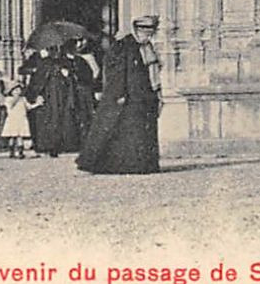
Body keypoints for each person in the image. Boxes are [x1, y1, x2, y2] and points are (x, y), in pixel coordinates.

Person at [77, 15, 162, 174]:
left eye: (151, 33)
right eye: (147, 33)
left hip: (144, 96)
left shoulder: (146, 46)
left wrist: (157, 93)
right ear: (138, 30)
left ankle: (143, 164)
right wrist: (118, 93)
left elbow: (152, 70)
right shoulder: (123, 46)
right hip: (127, 96)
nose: (149, 37)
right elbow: (116, 72)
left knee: (141, 132)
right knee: (123, 131)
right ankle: (121, 165)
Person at [26, 45, 72, 157]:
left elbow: (66, 74)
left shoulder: (55, 61)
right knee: (47, 119)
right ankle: (47, 146)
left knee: (53, 119)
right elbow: (26, 72)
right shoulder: (39, 59)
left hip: (54, 94)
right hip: (47, 94)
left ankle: (52, 146)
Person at [59, 37, 99, 152]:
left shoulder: (80, 60)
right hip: (69, 92)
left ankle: (84, 142)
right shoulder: (62, 61)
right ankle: (71, 142)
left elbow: (90, 75)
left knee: (84, 115)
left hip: (81, 90)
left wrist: (73, 74)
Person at [2, 80, 37, 158]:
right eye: (15, 90)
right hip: (13, 119)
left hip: (21, 119)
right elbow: (9, 106)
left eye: (19, 90)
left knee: (19, 136)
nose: (18, 92)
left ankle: (20, 152)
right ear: (11, 91)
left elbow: (29, 107)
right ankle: (11, 152)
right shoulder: (8, 99)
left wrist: (37, 104)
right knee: (12, 136)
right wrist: (16, 98)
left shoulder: (23, 99)